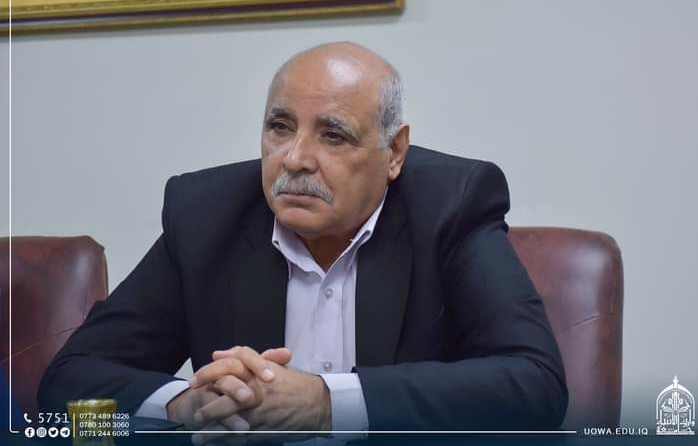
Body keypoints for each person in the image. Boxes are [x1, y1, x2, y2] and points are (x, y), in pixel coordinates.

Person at [37, 42, 568, 442]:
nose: (294, 159)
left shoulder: (451, 206)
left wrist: (325, 403)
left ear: (394, 153)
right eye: (280, 127)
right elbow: (64, 390)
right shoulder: (204, 215)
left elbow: (536, 388)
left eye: (333, 135)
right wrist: (183, 405)